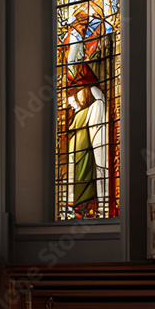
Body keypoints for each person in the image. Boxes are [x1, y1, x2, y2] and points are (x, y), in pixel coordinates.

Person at [66, 70, 108, 217]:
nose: (71, 99)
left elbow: (98, 144)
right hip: (75, 159)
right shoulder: (81, 112)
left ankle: (94, 208)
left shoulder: (95, 106)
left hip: (85, 158)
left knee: (83, 186)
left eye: (76, 92)